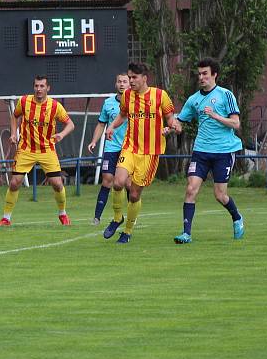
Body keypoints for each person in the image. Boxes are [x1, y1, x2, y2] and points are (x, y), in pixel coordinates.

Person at [102, 61, 182, 243]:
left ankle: (128, 231)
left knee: (135, 194)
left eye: (134, 78)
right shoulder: (127, 96)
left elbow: (171, 118)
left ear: (144, 78)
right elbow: (122, 115)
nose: (130, 81)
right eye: (129, 77)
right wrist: (112, 127)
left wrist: (174, 127)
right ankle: (117, 218)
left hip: (150, 153)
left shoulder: (160, 95)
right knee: (118, 182)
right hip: (130, 147)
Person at [173, 57, 244, 243]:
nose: (201, 77)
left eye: (205, 74)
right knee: (190, 189)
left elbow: (236, 123)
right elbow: (180, 121)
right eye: (199, 74)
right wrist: (172, 127)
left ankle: (237, 217)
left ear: (214, 75)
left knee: (220, 195)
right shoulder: (193, 99)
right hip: (201, 151)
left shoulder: (225, 95)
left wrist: (215, 115)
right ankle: (186, 233)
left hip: (223, 152)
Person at [0, 75, 75, 227]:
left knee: (57, 184)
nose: (39, 89)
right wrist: (14, 134)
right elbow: (14, 116)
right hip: (26, 149)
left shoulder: (55, 106)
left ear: (48, 88)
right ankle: (6, 218)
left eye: (42, 86)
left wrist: (61, 134)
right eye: (36, 86)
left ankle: (63, 214)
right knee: (14, 183)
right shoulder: (24, 101)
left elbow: (70, 124)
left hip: (47, 149)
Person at [87, 73, 130, 225]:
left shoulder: (135, 102)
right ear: (115, 84)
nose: (122, 84)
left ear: (130, 84)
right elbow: (101, 124)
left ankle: (131, 217)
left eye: (125, 81)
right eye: (119, 81)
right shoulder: (108, 103)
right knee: (107, 180)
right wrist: (94, 141)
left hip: (128, 148)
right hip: (111, 147)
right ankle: (97, 217)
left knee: (128, 183)